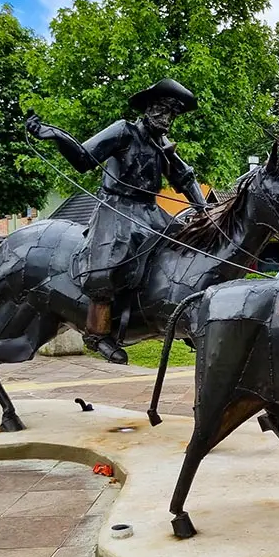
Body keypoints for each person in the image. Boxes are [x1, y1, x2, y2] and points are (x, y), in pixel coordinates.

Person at [25, 78, 208, 364]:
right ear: (149, 108)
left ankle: (181, 319)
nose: (168, 119)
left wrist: (204, 210)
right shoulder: (124, 131)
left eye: (173, 114)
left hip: (149, 211)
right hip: (117, 209)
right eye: (164, 111)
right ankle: (97, 332)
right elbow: (84, 158)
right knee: (112, 259)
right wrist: (53, 134)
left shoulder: (162, 145)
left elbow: (184, 177)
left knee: (181, 248)